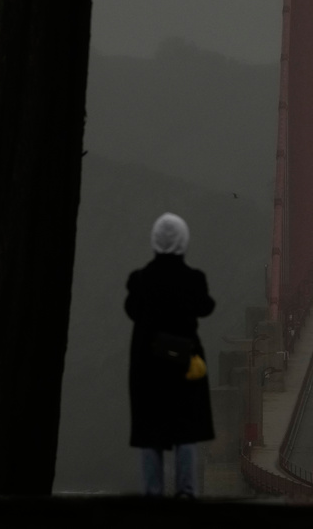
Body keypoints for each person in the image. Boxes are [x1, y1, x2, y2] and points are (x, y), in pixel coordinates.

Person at [125, 212, 216, 497]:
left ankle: (153, 493)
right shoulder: (193, 279)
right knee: (186, 428)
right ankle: (186, 492)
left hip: (147, 366)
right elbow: (206, 307)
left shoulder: (140, 280)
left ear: (155, 241)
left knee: (149, 429)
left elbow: (131, 310)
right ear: (183, 241)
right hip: (184, 363)